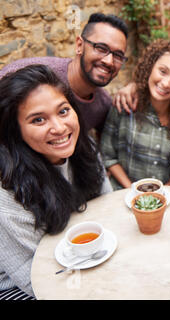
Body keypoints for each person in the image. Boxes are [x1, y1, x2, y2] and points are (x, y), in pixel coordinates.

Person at [0, 65, 112, 299]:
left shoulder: (86, 149)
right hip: (23, 284)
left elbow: (108, 211)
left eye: (63, 111)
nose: (60, 128)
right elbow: (36, 279)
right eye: (38, 119)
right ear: (15, 131)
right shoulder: (6, 194)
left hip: (82, 258)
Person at [100, 39, 170, 190]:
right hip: (122, 196)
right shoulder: (125, 105)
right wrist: (133, 190)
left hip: (164, 200)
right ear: (150, 67)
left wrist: (162, 191)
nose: (166, 83)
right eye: (162, 71)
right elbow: (108, 155)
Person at [0, 13, 129, 134]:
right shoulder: (24, 75)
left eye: (118, 55)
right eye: (101, 48)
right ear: (79, 45)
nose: (109, 61)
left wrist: (135, 87)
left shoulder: (102, 105)